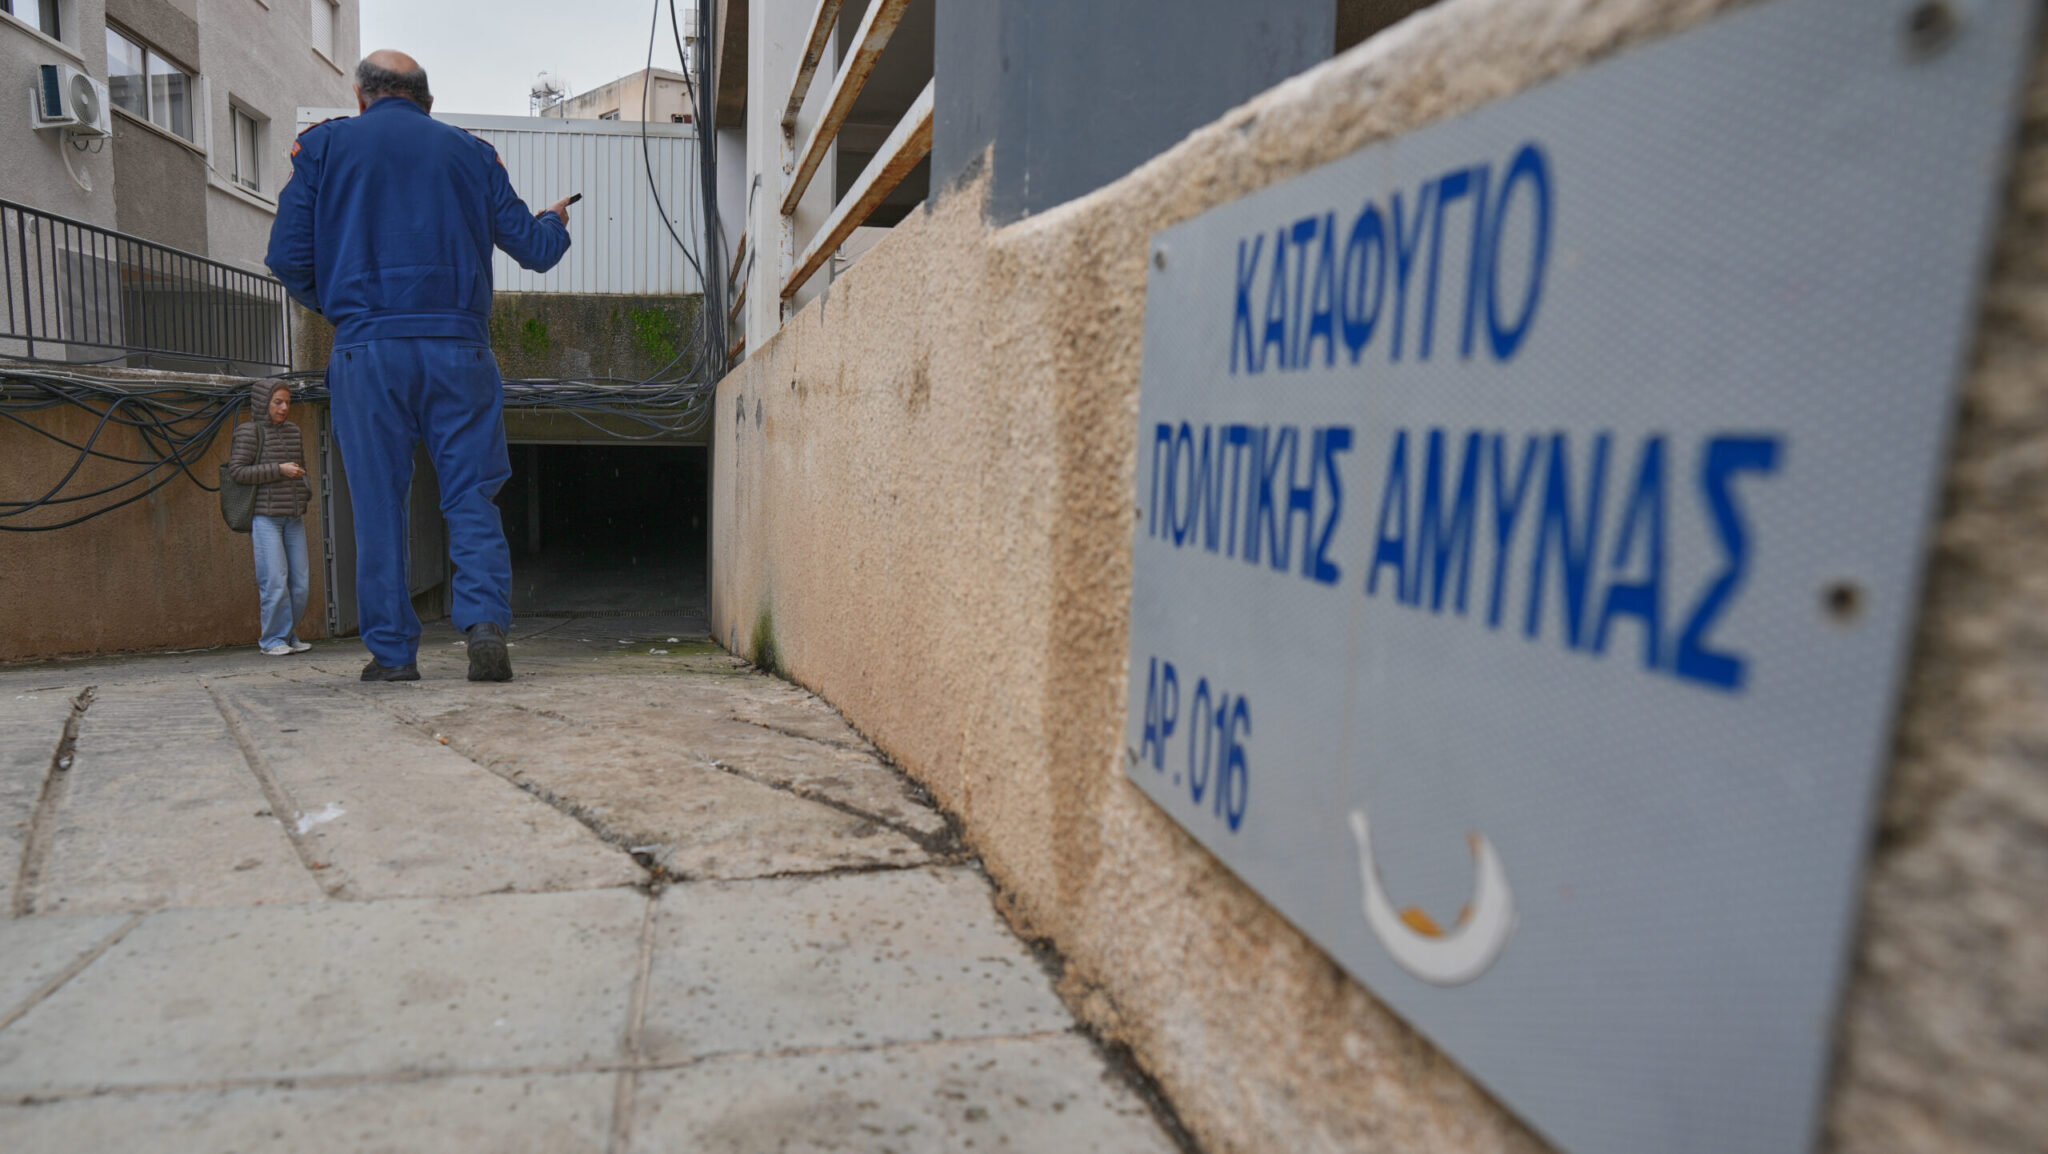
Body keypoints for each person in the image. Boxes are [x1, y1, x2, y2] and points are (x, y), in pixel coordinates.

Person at [265, 49, 574, 683]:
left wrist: (345, 310)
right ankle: (484, 626)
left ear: (360, 97)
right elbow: (536, 250)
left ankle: (393, 655)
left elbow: (288, 256)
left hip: (367, 352)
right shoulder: (473, 155)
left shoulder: (323, 147)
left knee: (379, 504)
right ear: (427, 102)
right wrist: (555, 220)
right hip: (459, 350)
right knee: (471, 495)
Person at [228, 382, 314, 656]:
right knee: (275, 581)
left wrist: (304, 489)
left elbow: (300, 467)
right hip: (265, 518)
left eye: (287, 402)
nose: (284, 407)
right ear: (263, 403)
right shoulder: (249, 431)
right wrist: (279, 469)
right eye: (278, 402)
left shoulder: (293, 431)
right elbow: (237, 472)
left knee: (300, 585)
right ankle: (272, 640)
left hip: (293, 517)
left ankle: (287, 635)